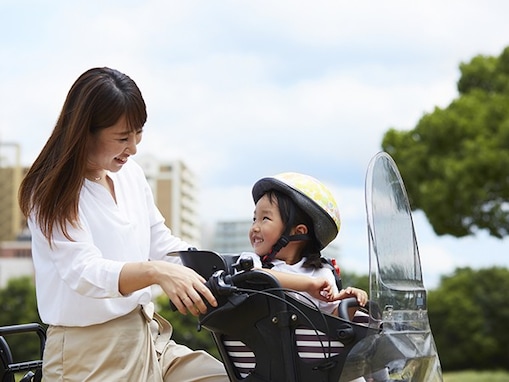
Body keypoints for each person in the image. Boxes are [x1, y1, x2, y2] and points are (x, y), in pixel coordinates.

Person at [18, 67, 228, 381]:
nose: (133, 148)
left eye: (138, 134)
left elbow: (160, 242)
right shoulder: (52, 190)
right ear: (85, 131)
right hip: (89, 357)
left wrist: (219, 266)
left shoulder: (130, 174)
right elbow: (84, 272)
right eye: (122, 138)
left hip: (148, 339)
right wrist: (156, 272)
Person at [239, 172, 368, 316]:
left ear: (298, 231)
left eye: (265, 218)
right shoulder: (252, 262)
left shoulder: (322, 273)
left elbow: (333, 326)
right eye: (254, 218)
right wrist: (308, 285)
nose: (255, 227)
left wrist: (349, 304)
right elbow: (253, 276)